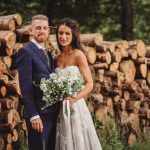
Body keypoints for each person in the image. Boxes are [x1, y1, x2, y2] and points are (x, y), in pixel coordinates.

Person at [55, 18, 102, 150]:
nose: (63, 37)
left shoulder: (78, 55)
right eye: (60, 33)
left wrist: (74, 98)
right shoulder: (56, 58)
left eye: (67, 33)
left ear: (73, 35)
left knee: (78, 139)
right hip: (61, 107)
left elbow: (89, 84)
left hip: (76, 105)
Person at [16, 15, 59, 150]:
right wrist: (34, 115)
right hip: (38, 114)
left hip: (52, 111)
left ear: (48, 31)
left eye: (45, 28)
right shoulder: (26, 51)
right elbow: (25, 86)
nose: (42, 31)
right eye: (38, 28)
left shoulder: (48, 52)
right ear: (31, 31)